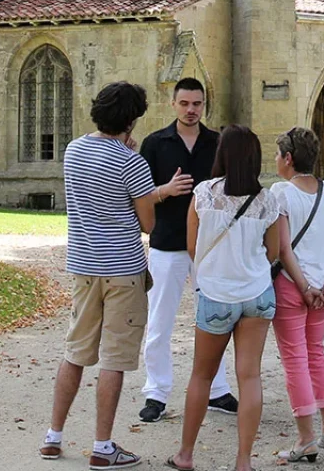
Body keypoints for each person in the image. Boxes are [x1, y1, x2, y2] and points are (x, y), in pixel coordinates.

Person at [44, 81, 193, 468]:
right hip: (123, 270)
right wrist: (148, 192)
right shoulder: (132, 163)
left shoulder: (74, 150)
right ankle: (102, 446)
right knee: (113, 359)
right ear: (131, 120)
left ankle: (53, 436)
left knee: (74, 353)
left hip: (83, 266)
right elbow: (146, 222)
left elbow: (89, 197)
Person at [166, 125, 303, 471]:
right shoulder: (267, 200)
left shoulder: (204, 195)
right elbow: (273, 252)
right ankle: (243, 461)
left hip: (216, 294)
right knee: (250, 376)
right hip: (256, 294)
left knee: (202, 376)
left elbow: (193, 246)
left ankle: (185, 454)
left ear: (222, 155)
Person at [136, 78, 236, 422]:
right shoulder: (154, 144)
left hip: (209, 248)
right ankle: (156, 393)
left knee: (215, 321)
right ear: (173, 103)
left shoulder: (218, 142)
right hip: (167, 244)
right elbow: (139, 196)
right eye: (185, 104)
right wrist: (165, 190)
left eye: (197, 104)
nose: (191, 110)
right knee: (160, 321)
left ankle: (218, 390)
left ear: (204, 105)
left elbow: (232, 191)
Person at [267, 127, 324, 464]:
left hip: (292, 284)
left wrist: (304, 286)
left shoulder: (281, 193)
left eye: (277, 154)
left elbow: (283, 248)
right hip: (322, 286)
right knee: (316, 353)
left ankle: (305, 438)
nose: (275, 160)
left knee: (295, 359)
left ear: (288, 158)